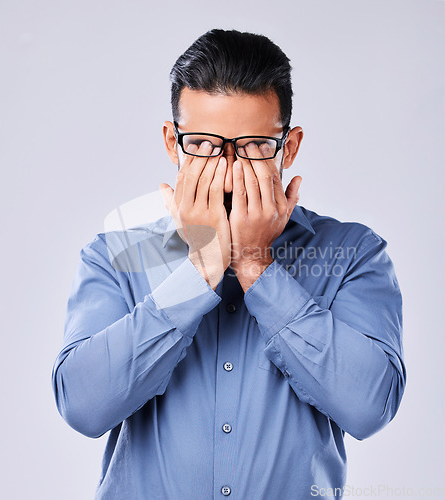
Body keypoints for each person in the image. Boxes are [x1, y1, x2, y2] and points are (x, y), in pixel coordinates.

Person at [51, 29, 406, 499]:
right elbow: (82, 407)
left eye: (255, 145)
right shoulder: (117, 256)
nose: (228, 168)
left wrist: (257, 266)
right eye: (202, 144)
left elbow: (369, 407)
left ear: (290, 146)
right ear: (172, 143)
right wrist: (199, 270)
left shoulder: (354, 253)